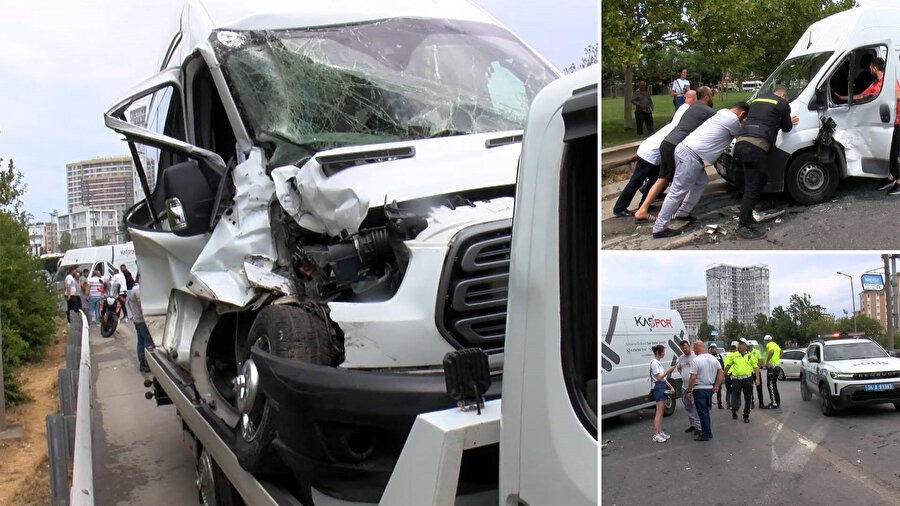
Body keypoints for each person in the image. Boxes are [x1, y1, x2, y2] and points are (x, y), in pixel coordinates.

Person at [651, 101, 750, 238]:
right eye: (744, 118)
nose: (743, 121)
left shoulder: (723, 113)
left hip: (689, 152)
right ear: (742, 113)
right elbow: (742, 133)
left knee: (701, 181)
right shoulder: (732, 119)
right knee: (677, 191)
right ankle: (659, 228)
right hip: (690, 155)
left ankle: (682, 213)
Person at [612, 91, 697, 217]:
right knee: (636, 181)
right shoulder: (683, 115)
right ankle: (619, 208)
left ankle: (644, 205)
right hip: (649, 154)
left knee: (654, 181)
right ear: (692, 99)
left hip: (654, 155)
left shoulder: (682, 110)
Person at [633, 87, 710, 223]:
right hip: (676, 146)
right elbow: (722, 121)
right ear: (707, 97)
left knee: (663, 178)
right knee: (678, 182)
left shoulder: (690, 108)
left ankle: (642, 210)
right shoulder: (704, 110)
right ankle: (672, 214)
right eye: (712, 94)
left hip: (667, 143)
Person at [733, 86, 799, 240]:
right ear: (783, 95)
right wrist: (788, 119)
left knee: (760, 179)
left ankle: (747, 217)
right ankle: (743, 227)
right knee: (753, 187)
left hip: (741, 142)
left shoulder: (757, 99)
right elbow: (787, 128)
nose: (786, 100)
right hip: (756, 146)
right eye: (786, 98)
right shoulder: (782, 104)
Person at [684, 340, 724, 441]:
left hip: (699, 389)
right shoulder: (713, 358)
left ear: (697, 347)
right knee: (706, 411)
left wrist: (689, 391)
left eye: (694, 347)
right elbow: (721, 372)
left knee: (702, 412)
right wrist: (717, 385)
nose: (693, 349)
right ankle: (708, 431)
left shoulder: (696, 360)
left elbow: (693, 377)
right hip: (709, 389)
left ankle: (705, 434)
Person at [724, 338, 760, 423]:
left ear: (745, 346)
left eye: (741, 344)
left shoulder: (750, 356)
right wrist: (723, 375)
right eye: (739, 344)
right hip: (736, 380)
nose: (739, 345)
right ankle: (734, 410)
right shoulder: (734, 355)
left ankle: (746, 415)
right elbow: (728, 366)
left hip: (747, 379)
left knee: (748, 398)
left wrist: (757, 378)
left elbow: (756, 367)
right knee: (735, 399)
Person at [875, 78, 900, 195]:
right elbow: (861, 96)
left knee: (896, 153)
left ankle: (899, 182)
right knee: (890, 153)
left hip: (898, 121)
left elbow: (898, 95)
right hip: (890, 121)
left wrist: (885, 95)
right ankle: (891, 178)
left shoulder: (891, 80)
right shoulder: (877, 82)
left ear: (875, 68)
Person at [650, 344, 676, 443]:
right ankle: (656, 434)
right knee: (659, 412)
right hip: (658, 387)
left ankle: (660, 432)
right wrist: (668, 371)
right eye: (663, 352)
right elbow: (659, 377)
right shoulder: (654, 363)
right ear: (658, 352)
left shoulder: (658, 362)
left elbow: (663, 379)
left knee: (661, 411)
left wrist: (671, 386)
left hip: (662, 386)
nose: (664, 353)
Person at [128, 273, 153, 373]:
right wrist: (146, 317)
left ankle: (142, 363)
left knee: (141, 341)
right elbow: (140, 305)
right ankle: (146, 364)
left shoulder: (134, 289)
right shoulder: (138, 289)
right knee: (147, 342)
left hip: (136, 319)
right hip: (142, 320)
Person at [675, 339, 700, 435]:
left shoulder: (695, 356)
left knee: (695, 407)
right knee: (688, 407)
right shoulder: (681, 358)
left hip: (694, 387)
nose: (684, 350)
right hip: (684, 387)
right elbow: (678, 367)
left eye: (685, 347)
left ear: (689, 346)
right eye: (682, 349)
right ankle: (693, 424)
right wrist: (683, 375)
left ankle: (699, 427)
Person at [762, 334, 782, 408]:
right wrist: (777, 360)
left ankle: (774, 403)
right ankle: (777, 401)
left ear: (766, 341)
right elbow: (781, 352)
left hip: (772, 368)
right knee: (774, 385)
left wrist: (767, 362)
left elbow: (771, 351)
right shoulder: (776, 345)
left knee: (770, 385)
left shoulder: (769, 345)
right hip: (777, 366)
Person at [709, 343, 725, 409]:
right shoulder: (708, 356)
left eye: (714, 348)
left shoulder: (719, 356)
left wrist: (723, 375)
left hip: (718, 376)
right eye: (711, 348)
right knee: (710, 391)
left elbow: (722, 366)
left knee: (718, 390)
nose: (712, 349)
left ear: (716, 348)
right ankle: (709, 405)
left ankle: (719, 404)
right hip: (710, 376)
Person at [749, 340, 763, 409]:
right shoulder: (746, 353)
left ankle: (761, 403)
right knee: (750, 389)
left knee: (759, 388)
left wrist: (758, 365)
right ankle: (752, 403)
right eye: (748, 346)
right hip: (749, 372)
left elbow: (760, 359)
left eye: (751, 346)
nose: (750, 347)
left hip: (756, 372)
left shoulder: (757, 351)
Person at [723, 343, 738, 410]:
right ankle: (734, 403)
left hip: (727, 375)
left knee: (728, 390)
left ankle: (728, 404)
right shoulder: (736, 356)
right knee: (735, 390)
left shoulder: (726, 356)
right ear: (735, 350)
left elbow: (725, 365)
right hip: (734, 375)